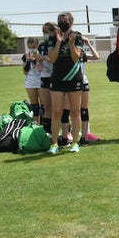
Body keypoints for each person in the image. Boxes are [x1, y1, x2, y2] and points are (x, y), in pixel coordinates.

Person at [45, 12, 85, 154]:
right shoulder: (52, 37)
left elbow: (75, 58)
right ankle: (54, 144)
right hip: (57, 79)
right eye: (60, 21)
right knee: (56, 112)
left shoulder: (77, 36)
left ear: (71, 22)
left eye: (65, 21)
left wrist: (71, 43)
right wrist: (58, 41)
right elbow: (52, 59)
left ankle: (75, 142)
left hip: (74, 78)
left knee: (75, 111)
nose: (62, 23)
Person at [22, 38, 44, 123]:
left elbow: (41, 68)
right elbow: (24, 72)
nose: (32, 49)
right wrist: (28, 61)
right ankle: (36, 125)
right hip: (30, 82)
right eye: (30, 47)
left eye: (34, 47)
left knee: (44, 106)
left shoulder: (41, 55)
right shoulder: (25, 56)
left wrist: (35, 60)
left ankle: (46, 126)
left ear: (37, 45)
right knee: (35, 106)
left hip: (41, 81)